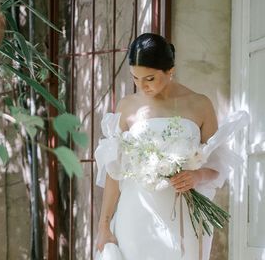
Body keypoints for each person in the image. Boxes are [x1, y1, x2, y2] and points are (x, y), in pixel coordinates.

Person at [94, 33, 248, 260]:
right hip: (136, 214)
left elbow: (218, 164)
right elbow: (114, 172)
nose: (142, 85)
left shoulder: (200, 104)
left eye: (150, 78)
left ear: (170, 70)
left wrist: (196, 176)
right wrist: (104, 225)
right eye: (135, 78)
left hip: (183, 215)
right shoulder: (127, 106)